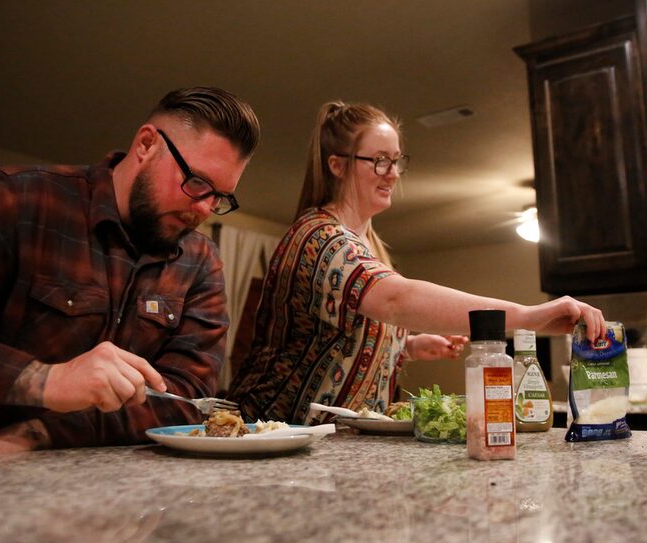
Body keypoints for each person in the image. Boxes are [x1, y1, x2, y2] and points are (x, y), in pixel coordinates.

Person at [0, 87, 260, 461]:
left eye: (221, 196)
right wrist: (44, 380)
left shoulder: (200, 260)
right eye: (197, 183)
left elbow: (186, 397)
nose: (206, 208)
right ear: (146, 145)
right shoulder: (19, 200)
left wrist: (36, 435)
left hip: (86, 493)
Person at [227, 100, 605, 424]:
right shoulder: (320, 237)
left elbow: (337, 333)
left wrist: (406, 347)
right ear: (337, 165)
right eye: (377, 161)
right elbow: (396, 300)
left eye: (395, 160)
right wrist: (527, 317)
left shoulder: (367, 246)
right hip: (277, 441)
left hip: (332, 454)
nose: (392, 173)